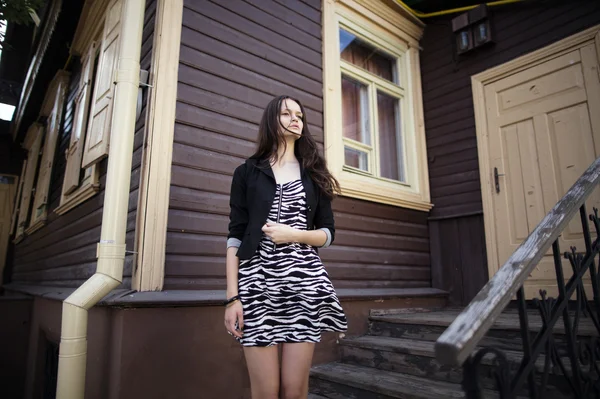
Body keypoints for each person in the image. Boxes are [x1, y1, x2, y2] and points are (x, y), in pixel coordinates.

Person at [224, 95, 348, 399]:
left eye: (300, 115)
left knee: (294, 390)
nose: (296, 118)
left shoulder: (314, 174)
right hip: (256, 284)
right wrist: (231, 298)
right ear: (271, 120)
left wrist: (293, 234)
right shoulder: (247, 172)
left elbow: (328, 234)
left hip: (304, 284)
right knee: (265, 391)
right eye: (286, 113)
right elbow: (235, 236)